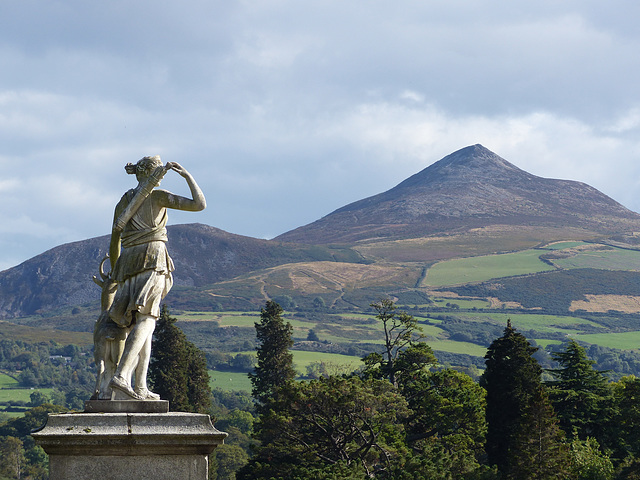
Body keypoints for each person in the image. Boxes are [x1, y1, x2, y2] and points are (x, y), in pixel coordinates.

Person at [107, 156, 206, 400]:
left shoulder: (125, 201)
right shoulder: (158, 196)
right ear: (156, 174)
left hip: (127, 262)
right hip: (152, 258)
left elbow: (114, 239)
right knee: (148, 319)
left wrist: (115, 272)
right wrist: (187, 176)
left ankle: (140, 386)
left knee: (141, 324)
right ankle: (122, 375)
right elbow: (199, 204)